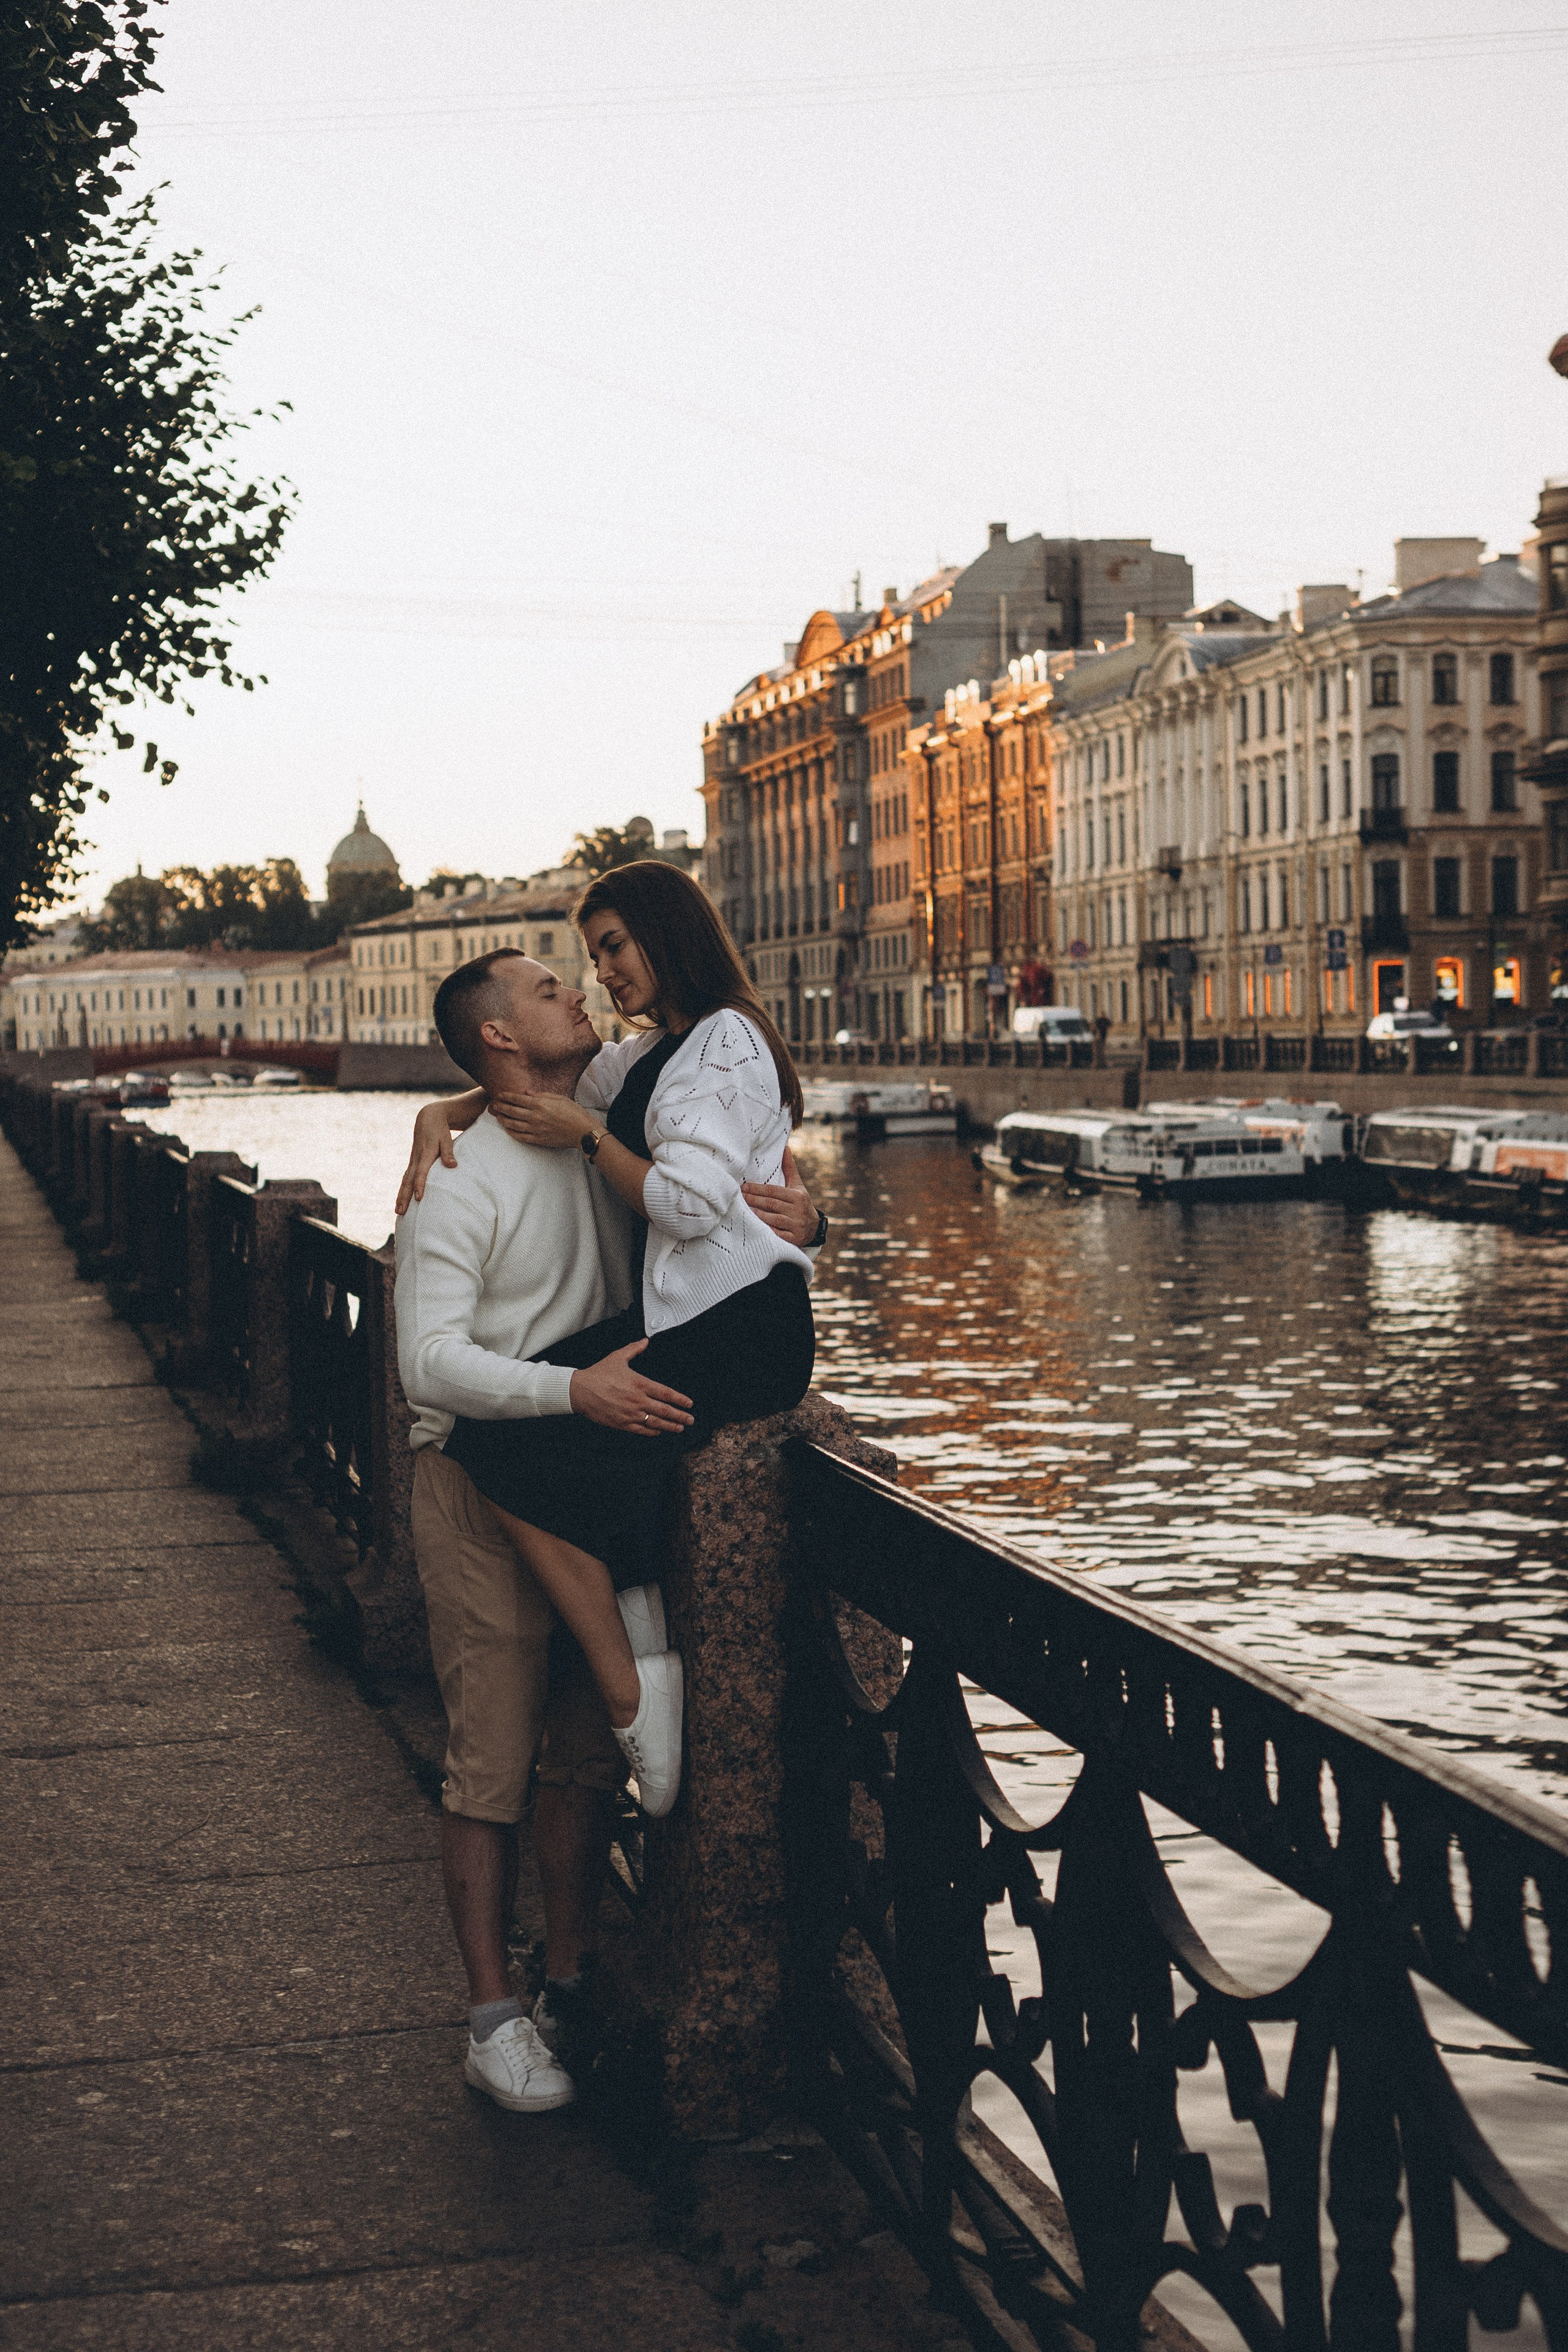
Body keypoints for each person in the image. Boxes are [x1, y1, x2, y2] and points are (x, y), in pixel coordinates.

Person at [394, 942, 816, 2114]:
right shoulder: (459, 1175)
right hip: (483, 1486)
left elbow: (715, 1174)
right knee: (491, 1764)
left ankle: (572, 1978)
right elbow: (424, 1364)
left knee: (585, 1757)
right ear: (496, 1035)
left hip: (590, 1459)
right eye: (547, 989)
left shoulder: (598, 1121)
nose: (578, 990)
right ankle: (491, 2021)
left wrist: (806, 1214)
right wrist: (567, 1392)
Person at [402, 861, 821, 1827]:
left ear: (670, 935)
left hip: (742, 1328)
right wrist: (445, 1108)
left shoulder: (722, 1041)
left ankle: (632, 1686)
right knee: (527, 1429)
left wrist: (590, 1142)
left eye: (615, 947)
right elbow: (532, 1081)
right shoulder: (646, 1056)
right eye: (591, 957)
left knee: (499, 1437)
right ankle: (640, 1652)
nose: (601, 975)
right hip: (691, 1317)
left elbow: (687, 1200)